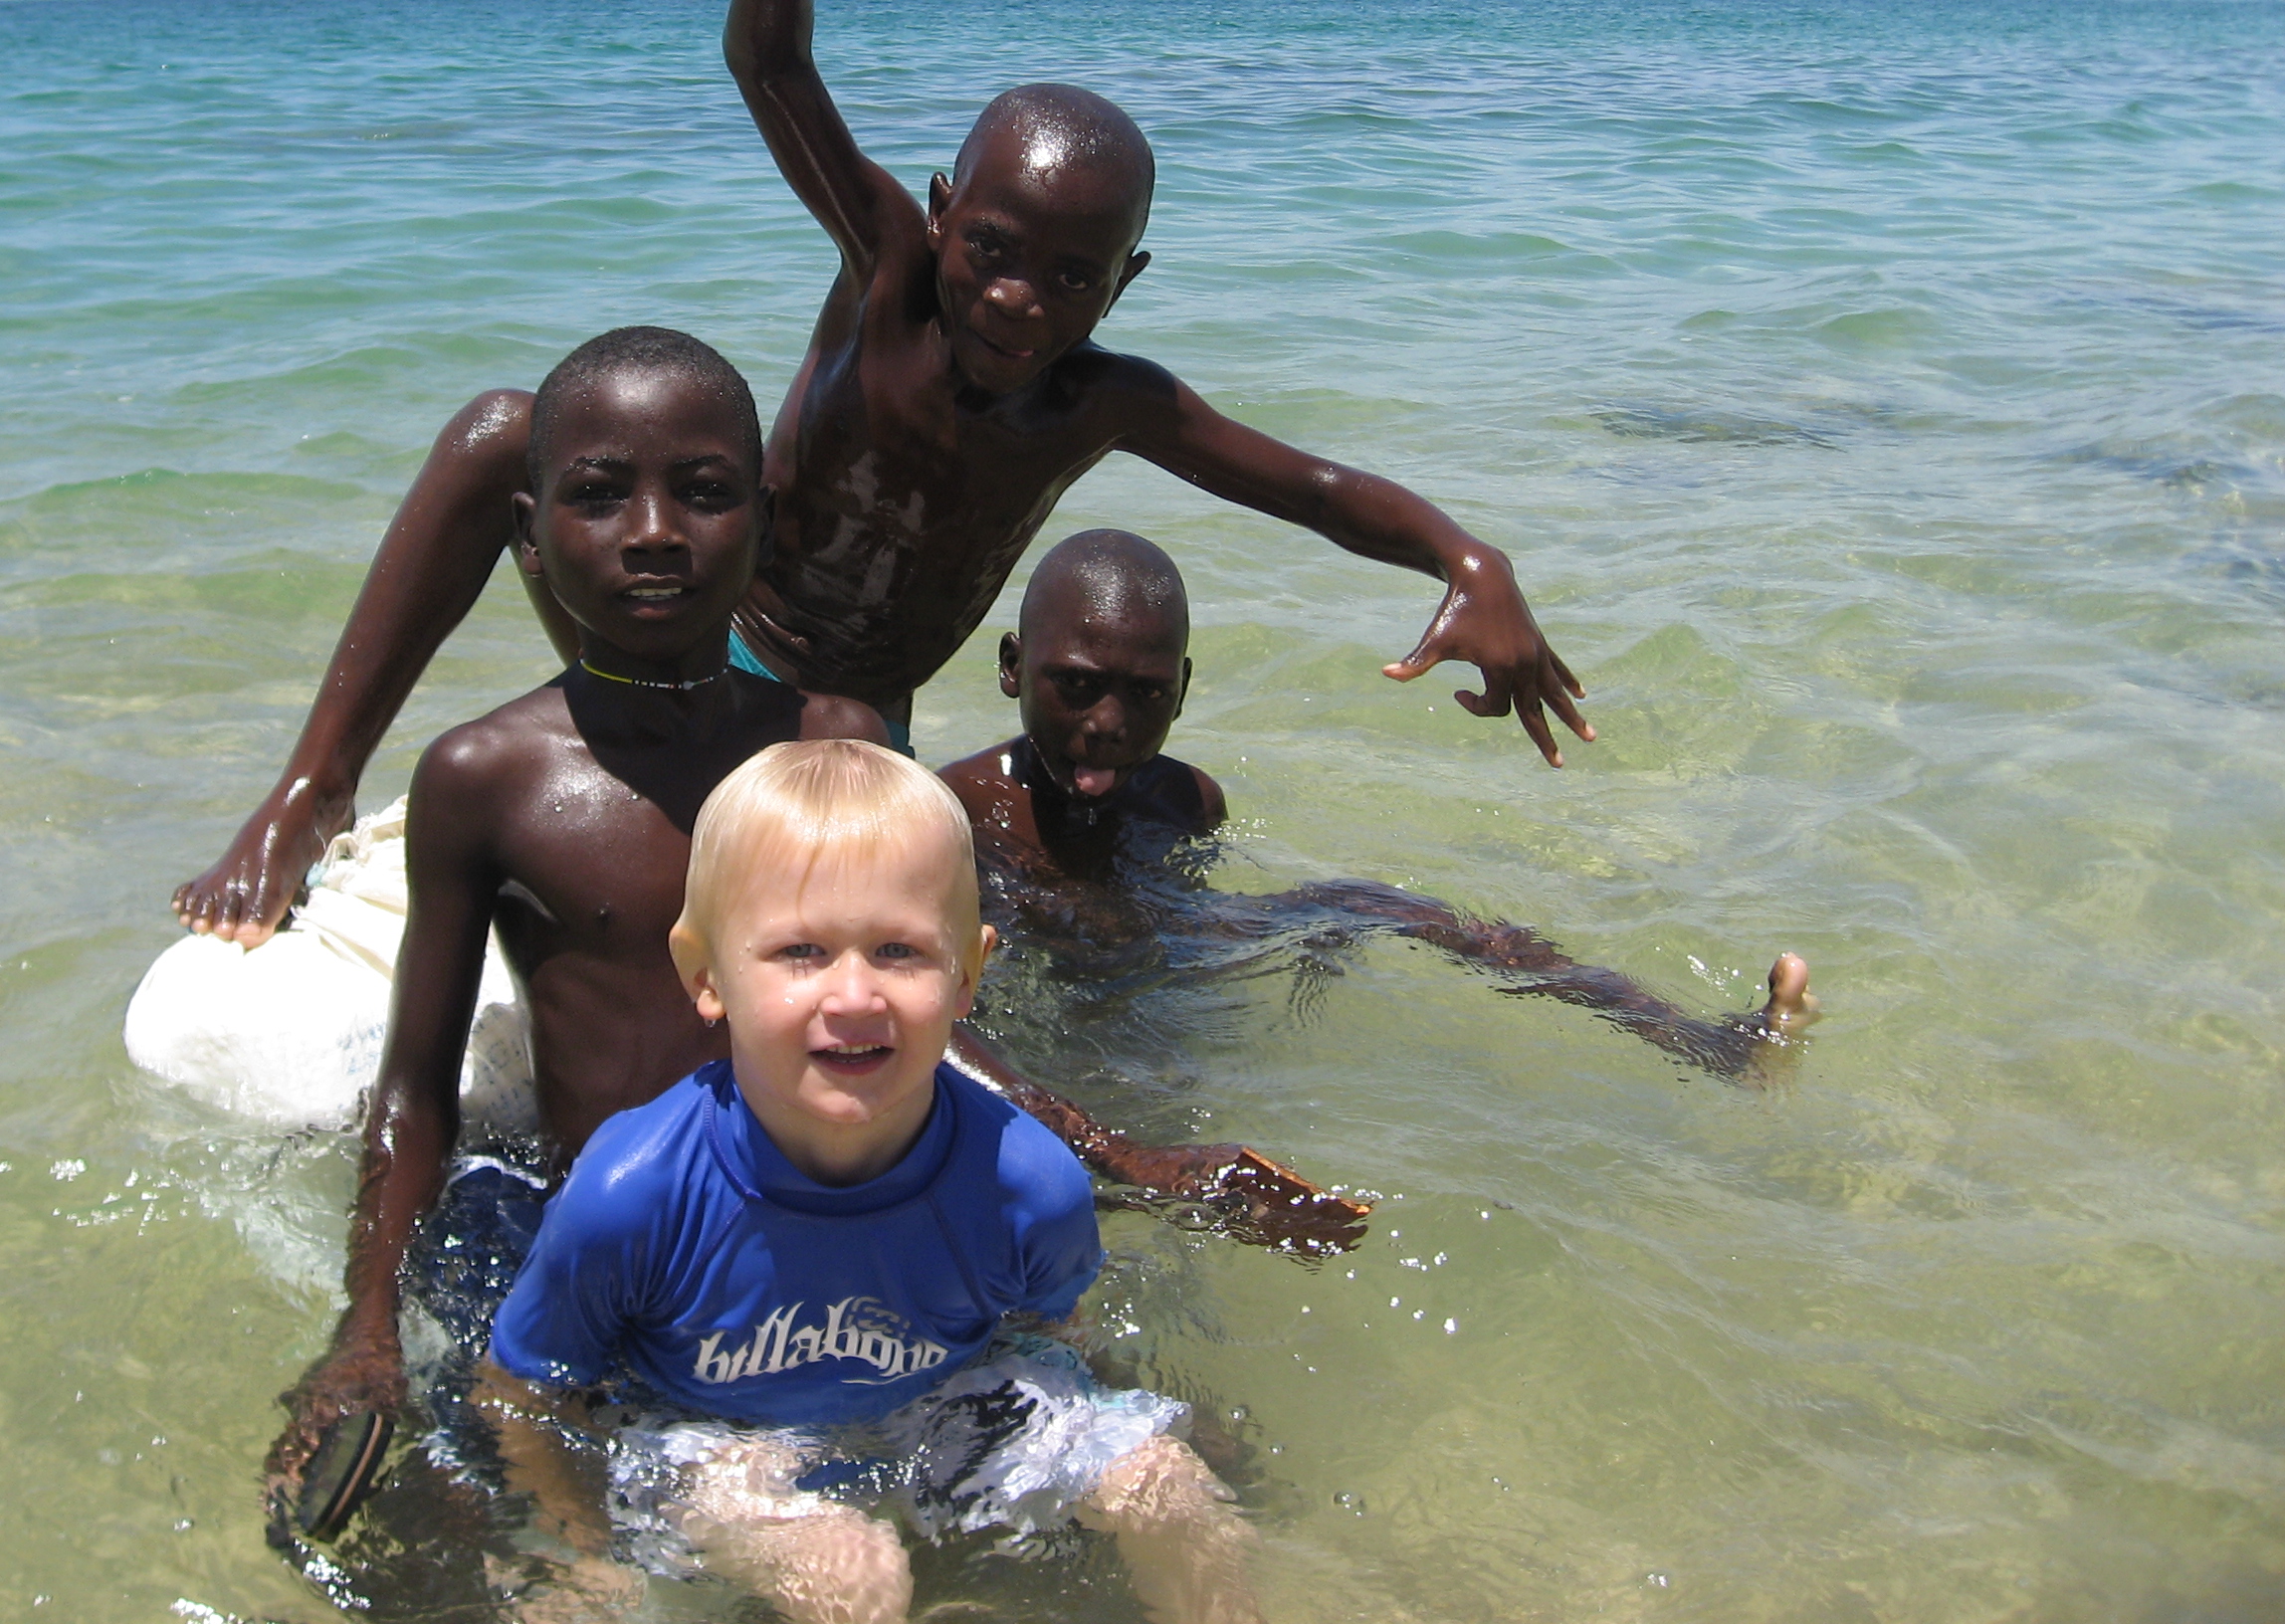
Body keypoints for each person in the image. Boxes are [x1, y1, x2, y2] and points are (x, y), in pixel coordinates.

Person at [170, 0, 1588, 951]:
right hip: (701, 632)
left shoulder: (1106, 404)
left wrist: (1471, 560)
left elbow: (1316, 489)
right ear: (938, 215)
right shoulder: (889, 270)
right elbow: (769, 65)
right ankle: (312, 788)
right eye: (994, 252)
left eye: (1070, 278)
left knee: (849, 741)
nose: (1017, 299)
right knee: (502, 433)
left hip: (842, 712)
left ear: (1124, 283)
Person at [265, 329, 1353, 1554]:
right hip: (635, 1248)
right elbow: (416, 1091)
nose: (656, 529)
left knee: (1191, 1486)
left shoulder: (829, 742)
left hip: (852, 1212)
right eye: (597, 494)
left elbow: (911, 1010)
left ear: (768, 520)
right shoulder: (489, 778)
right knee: (428, 1535)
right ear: (528, 532)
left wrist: (1128, 1162)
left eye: (705, 491)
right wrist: (359, 1335)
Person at [476, 737, 1261, 1624]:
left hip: (935, 1405)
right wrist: (574, 1549)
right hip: (710, 1439)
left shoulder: (1028, 1185)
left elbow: (1051, 1344)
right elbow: (525, 1395)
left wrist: (1139, 1423)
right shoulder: (634, 1192)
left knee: (1165, 1489)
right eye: (801, 951)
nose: (854, 996)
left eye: (898, 951)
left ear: (966, 971)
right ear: (705, 974)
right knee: (850, 1579)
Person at [940, 530, 1814, 1077]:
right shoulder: (952, 811)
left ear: (1185, 690)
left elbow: (1176, 925)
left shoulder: (1185, 798)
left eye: (1144, 695)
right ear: (1013, 666)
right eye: (1076, 686)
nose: (1107, 725)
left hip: (1146, 991)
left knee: (1378, 903)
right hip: (1023, 1014)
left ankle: (1696, 1038)